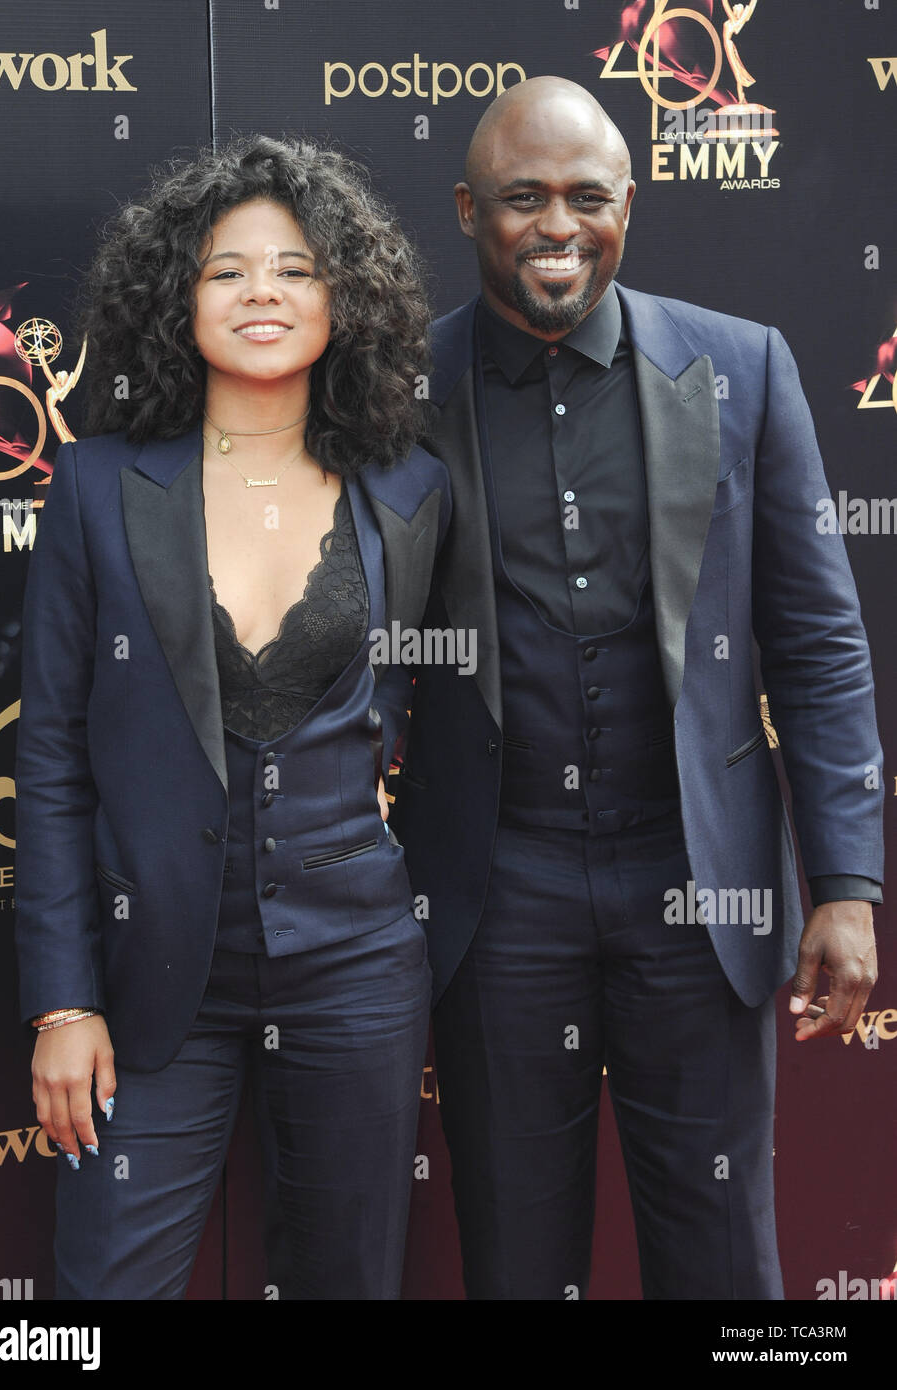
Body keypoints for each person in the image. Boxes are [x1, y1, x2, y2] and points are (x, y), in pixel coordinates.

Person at [387, 77, 882, 1299]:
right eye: (523, 199)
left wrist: (851, 887)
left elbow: (818, 642)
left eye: (587, 196)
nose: (559, 225)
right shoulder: (398, 391)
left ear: (629, 205)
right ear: (466, 209)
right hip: (498, 899)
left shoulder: (742, 369)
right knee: (515, 1257)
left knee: (725, 1262)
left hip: (698, 886)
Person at [14, 134, 449, 1300]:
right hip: (155, 979)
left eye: (297, 268)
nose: (263, 291)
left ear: (342, 298)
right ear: (177, 300)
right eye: (227, 270)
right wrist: (64, 1000)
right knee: (100, 1296)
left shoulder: (409, 488)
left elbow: (431, 707)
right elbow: (50, 757)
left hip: (357, 965)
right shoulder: (98, 486)